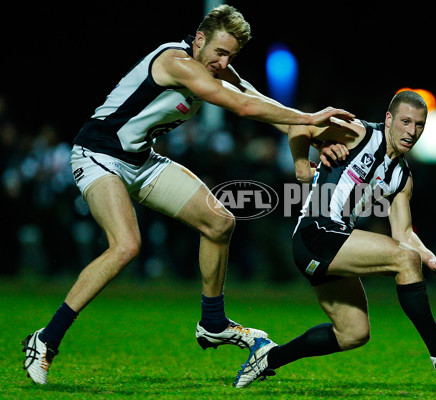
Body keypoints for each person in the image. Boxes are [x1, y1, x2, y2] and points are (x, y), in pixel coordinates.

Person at [22, 4, 354, 385]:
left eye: (231, 55)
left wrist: (314, 137)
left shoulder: (215, 65)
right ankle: (46, 339)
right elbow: (244, 108)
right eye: (219, 52)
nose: (224, 61)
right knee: (126, 245)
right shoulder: (176, 63)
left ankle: (212, 322)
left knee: (219, 221)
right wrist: (311, 118)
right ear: (199, 39)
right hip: (98, 155)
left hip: (140, 160)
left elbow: (259, 99)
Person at [232, 90, 436, 388]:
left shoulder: (402, 176)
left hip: (333, 245)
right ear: (389, 119)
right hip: (316, 233)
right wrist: (302, 164)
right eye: (405, 121)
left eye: (419, 125)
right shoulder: (360, 132)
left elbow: (403, 233)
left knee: (354, 333)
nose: (411, 131)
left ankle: (268, 357)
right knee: (403, 259)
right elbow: (300, 123)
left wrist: (428, 257)